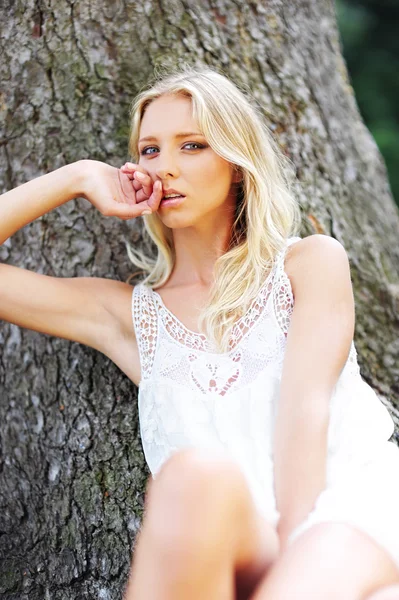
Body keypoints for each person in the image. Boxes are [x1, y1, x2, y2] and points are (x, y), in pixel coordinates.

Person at [1, 65, 399, 600]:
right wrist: (74, 177)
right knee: (192, 477)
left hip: (341, 517)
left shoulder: (307, 266)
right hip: (233, 542)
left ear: (236, 164)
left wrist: (289, 567)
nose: (165, 167)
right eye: (149, 151)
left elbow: (306, 413)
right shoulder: (131, 318)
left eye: (192, 146)